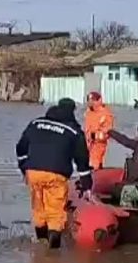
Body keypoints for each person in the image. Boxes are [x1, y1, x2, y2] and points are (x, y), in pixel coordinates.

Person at [15, 98, 92, 249]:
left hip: (33, 172)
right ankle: (53, 252)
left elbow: (21, 148)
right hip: (56, 174)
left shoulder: (36, 123)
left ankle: (41, 243)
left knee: (38, 208)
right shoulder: (74, 132)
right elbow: (82, 160)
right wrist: (86, 184)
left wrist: (24, 167)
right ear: (72, 111)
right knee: (55, 212)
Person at [83, 91, 114, 170]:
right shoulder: (89, 112)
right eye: (89, 100)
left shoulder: (106, 114)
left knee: (94, 164)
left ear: (98, 100)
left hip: (98, 144)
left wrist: (94, 136)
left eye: (92, 100)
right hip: (88, 144)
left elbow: (108, 132)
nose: (90, 102)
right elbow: (86, 127)